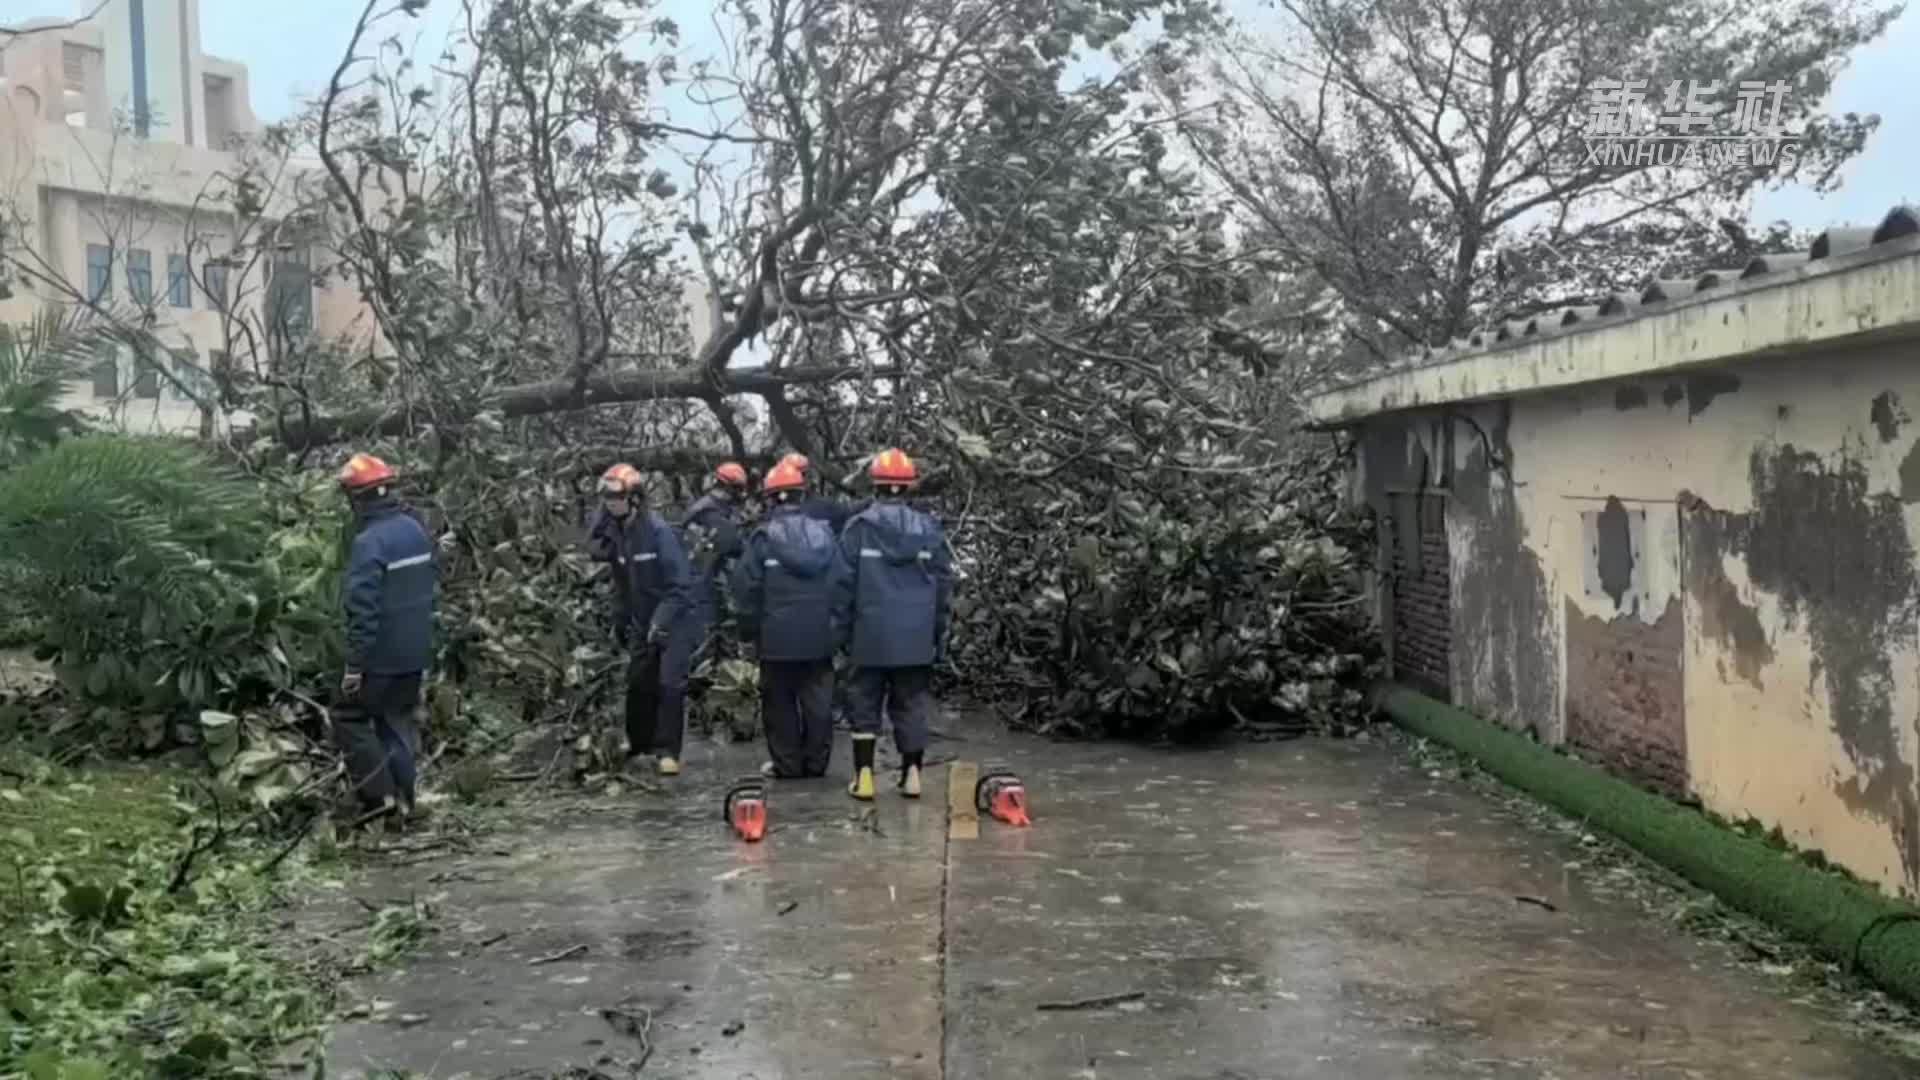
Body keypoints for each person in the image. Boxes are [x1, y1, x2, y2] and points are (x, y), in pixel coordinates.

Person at [831, 448, 952, 800]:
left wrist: (840, 634)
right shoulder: (929, 529)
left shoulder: (858, 528)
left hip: (868, 633)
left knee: (864, 703)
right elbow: (943, 585)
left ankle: (865, 776)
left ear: (876, 485)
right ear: (909, 486)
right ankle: (912, 774)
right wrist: (937, 633)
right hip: (915, 636)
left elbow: (842, 585)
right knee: (911, 703)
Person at [334, 452, 438, 827]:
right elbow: (432, 592)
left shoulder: (369, 543)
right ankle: (408, 803)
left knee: (349, 715)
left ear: (357, 499)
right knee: (396, 723)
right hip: (416, 653)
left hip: (382, 658)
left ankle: (381, 799)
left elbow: (363, 612)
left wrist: (353, 667)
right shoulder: (414, 530)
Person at [732, 460, 847, 779]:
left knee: (779, 703)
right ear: (801, 495)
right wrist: (838, 633)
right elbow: (842, 586)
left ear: (770, 499)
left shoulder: (762, 538)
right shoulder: (824, 536)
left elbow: (747, 592)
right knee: (819, 702)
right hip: (819, 637)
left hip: (776, 638)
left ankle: (787, 765)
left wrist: (747, 635)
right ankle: (816, 764)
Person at [587, 462, 698, 775]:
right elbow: (611, 568)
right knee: (638, 682)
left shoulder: (659, 533)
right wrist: (621, 620)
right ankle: (640, 745)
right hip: (640, 617)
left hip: (673, 618)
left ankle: (668, 752)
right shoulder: (618, 531)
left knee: (670, 684)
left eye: (616, 497)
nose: (610, 503)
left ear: (634, 498)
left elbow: (680, 586)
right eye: (606, 498)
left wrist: (660, 622)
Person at [680, 463, 749, 733]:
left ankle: (709, 708)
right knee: (706, 647)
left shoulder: (707, 508)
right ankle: (702, 712)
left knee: (711, 646)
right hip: (703, 589)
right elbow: (734, 545)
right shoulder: (710, 514)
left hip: (704, 585)